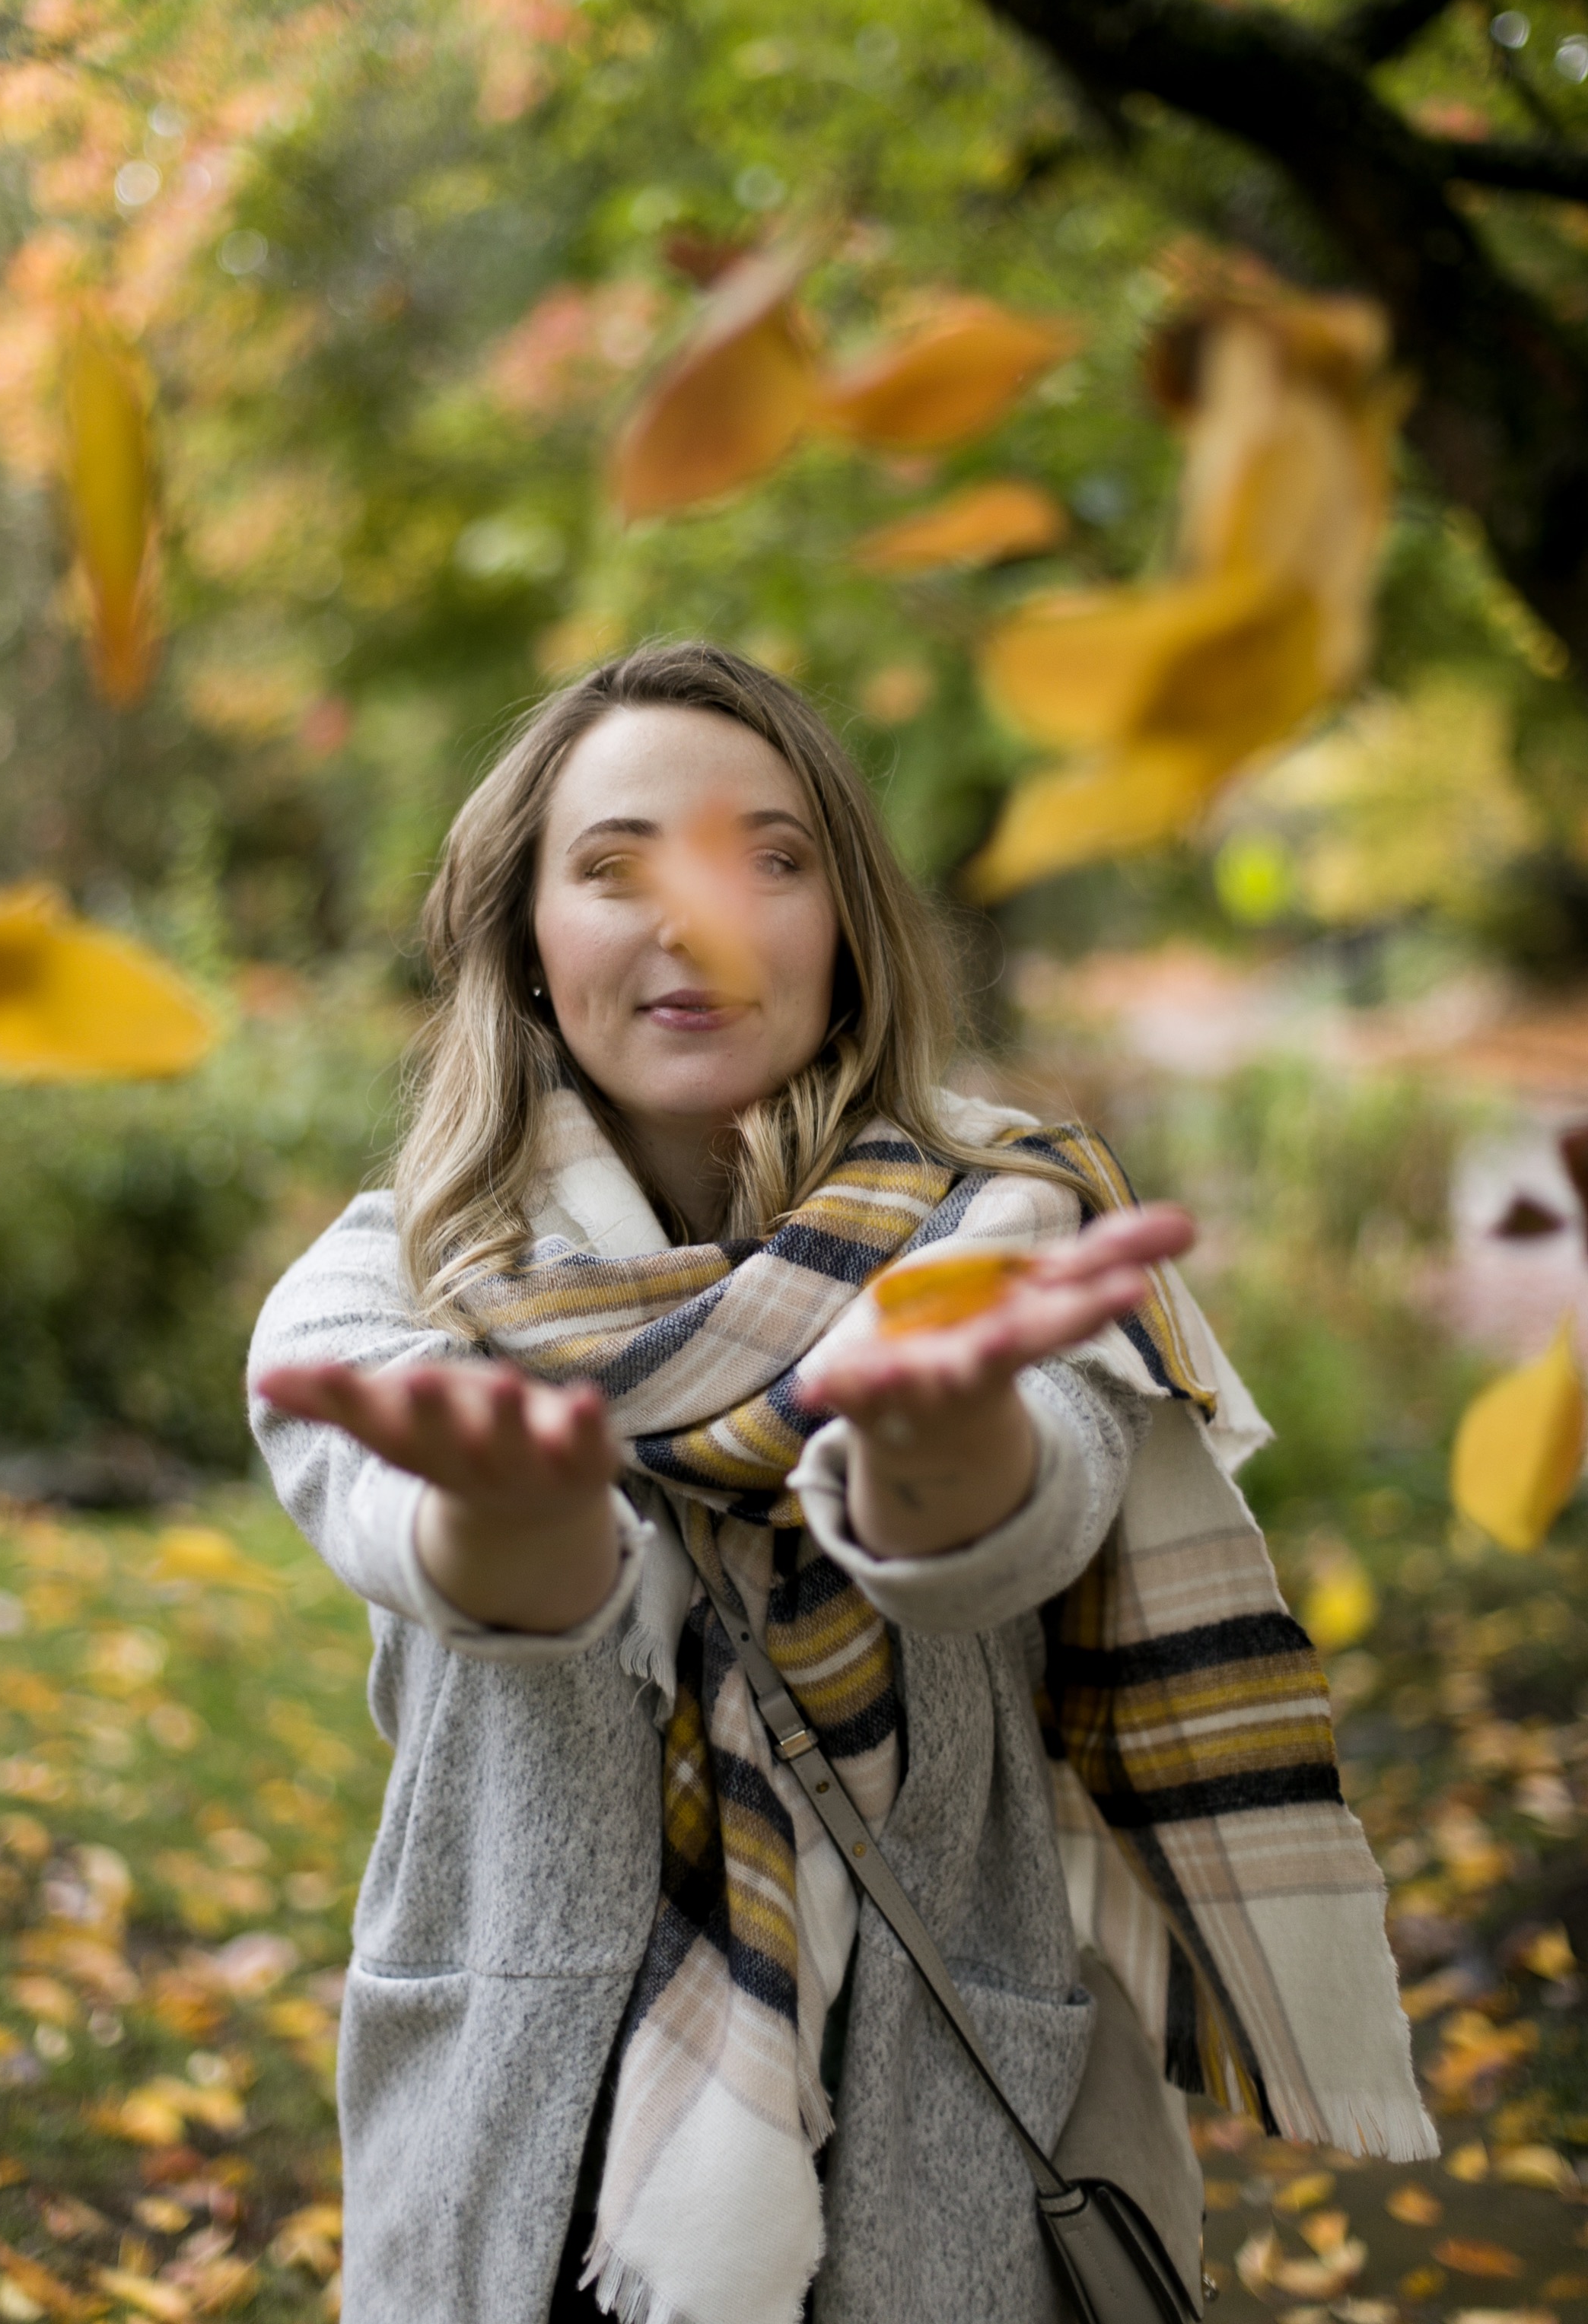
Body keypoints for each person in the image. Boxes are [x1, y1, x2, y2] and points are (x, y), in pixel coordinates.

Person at [250, 642, 1431, 2324]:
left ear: (846, 931)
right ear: (521, 940)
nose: (698, 919)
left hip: (938, 2160)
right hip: (532, 2178)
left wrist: (943, 1465)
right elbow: (410, 1524)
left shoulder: (1007, 1239)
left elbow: (1038, 1502)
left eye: (771, 857)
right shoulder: (392, 1283)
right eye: (616, 864)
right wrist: (506, 1528)